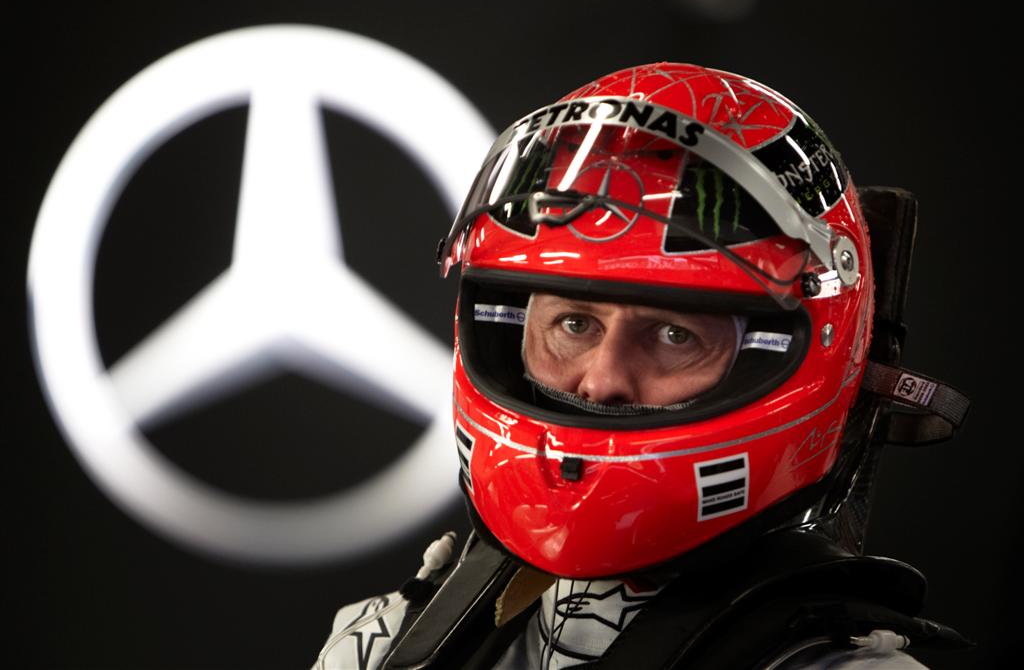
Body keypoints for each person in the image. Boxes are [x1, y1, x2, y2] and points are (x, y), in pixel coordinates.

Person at [313, 63, 971, 670]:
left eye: (674, 336)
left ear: (781, 355)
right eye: (574, 324)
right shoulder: (378, 646)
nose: (602, 381)